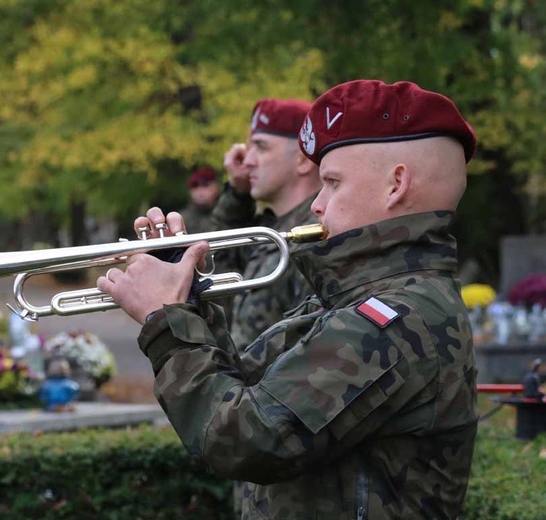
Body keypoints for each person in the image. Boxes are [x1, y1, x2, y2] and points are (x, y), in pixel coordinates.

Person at [97, 79, 479, 519]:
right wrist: (186, 296)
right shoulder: (354, 297)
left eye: (332, 183)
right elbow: (244, 388)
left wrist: (164, 319)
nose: (317, 204)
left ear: (396, 185)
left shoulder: (395, 317)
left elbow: (241, 439)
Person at [212, 98, 321, 353]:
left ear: (304, 160)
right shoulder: (274, 228)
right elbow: (220, 265)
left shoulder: (313, 238)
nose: (247, 161)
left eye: (261, 148)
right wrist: (238, 194)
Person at [181, 166, 222, 235]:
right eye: (195, 186)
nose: (200, 192)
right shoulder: (182, 219)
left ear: (216, 187)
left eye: (205, 185)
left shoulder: (227, 214)